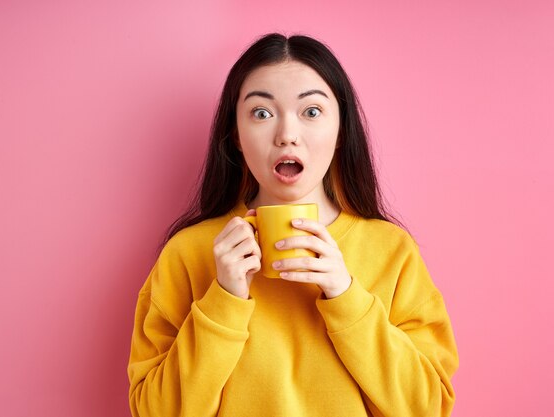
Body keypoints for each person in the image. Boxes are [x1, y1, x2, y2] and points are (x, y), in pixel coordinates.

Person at [127, 33, 459, 417]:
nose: (287, 134)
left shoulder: (392, 251)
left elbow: (427, 408)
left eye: (312, 111)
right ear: (235, 135)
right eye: (262, 113)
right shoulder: (188, 254)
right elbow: (154, 412)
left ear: (340, 131)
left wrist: (346, 296)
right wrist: (223, 300)